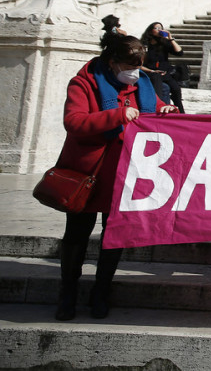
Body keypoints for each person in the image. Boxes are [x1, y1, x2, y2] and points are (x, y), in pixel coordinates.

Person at [53, 34, 178, 321]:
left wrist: (166, 110)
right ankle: (68, 293)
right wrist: (117, 115)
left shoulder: (142, 85)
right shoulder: (83, 83)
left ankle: (101, 292)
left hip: (126, 174)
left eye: (138, 66)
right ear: (112, 63)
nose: (133, 73)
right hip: (89, 173)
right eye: (128, 66)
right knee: (76, 235)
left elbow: (154, 108)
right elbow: (73, 121)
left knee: (114, 236)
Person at [141, 22, 185, 111]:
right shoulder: (145, 45)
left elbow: (179, 52)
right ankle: (159, 108)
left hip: (165, 73)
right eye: (156, 28)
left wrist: (170, 39)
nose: (159, 30)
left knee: (176, 89)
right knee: (161, 89)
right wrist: (151, 71)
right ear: (150, 31)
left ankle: (181, 112)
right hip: (151, 73)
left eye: (160, 28)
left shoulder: (164, 43)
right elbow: (140, 64)